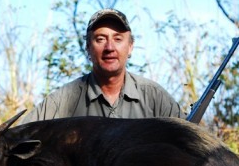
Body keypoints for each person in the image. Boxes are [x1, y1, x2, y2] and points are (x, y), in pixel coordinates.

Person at [21, 8, 185, 122]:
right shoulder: (64, 100)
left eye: (118, 39)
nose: (109, 48)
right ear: (88, 47)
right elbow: (20, 138)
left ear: (130, 47)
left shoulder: (154, 97)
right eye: (100, 39)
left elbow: (193, 143)